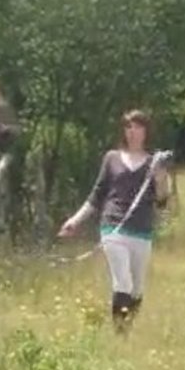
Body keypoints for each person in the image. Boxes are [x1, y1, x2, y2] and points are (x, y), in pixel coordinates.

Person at [58, 109, 171, 333]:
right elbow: (97, 195)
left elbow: (161, 202)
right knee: (123, 282)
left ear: (146, 131)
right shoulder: (112, 158)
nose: (132, 132)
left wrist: (161, 180)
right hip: (113, 227)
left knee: (137, 289)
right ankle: (121, 334)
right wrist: (75, 221)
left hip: (141, 231)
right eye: (128, 127)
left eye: (137, 127)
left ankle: (127, 328)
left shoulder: (153, 163)